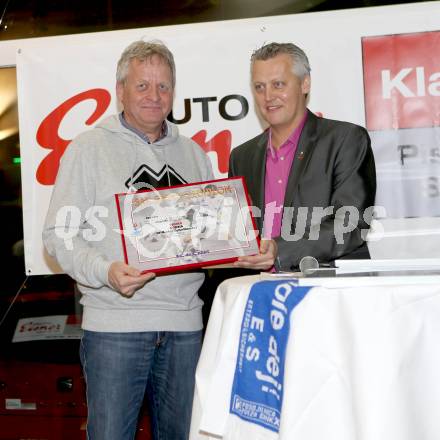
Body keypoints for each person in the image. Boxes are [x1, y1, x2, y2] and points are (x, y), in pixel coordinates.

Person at [43, 40, 213, 440]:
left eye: (164, 86)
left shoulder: (194, 154)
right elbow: (58, 235)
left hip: (185, 326)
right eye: (142, 86)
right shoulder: (87, 149)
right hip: (115, 328)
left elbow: (209, 235)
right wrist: (106, 271)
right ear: (120, 90)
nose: (154, 97)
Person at [229, 42, 376, 272]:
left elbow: (350, 224)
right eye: (259, 87)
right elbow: (237, 234)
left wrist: (280, 249)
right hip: (261, 293)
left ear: (305, 83)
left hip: (330, 293)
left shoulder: (345, 139)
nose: (268, 96)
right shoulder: (241, 157)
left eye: (278, 84)